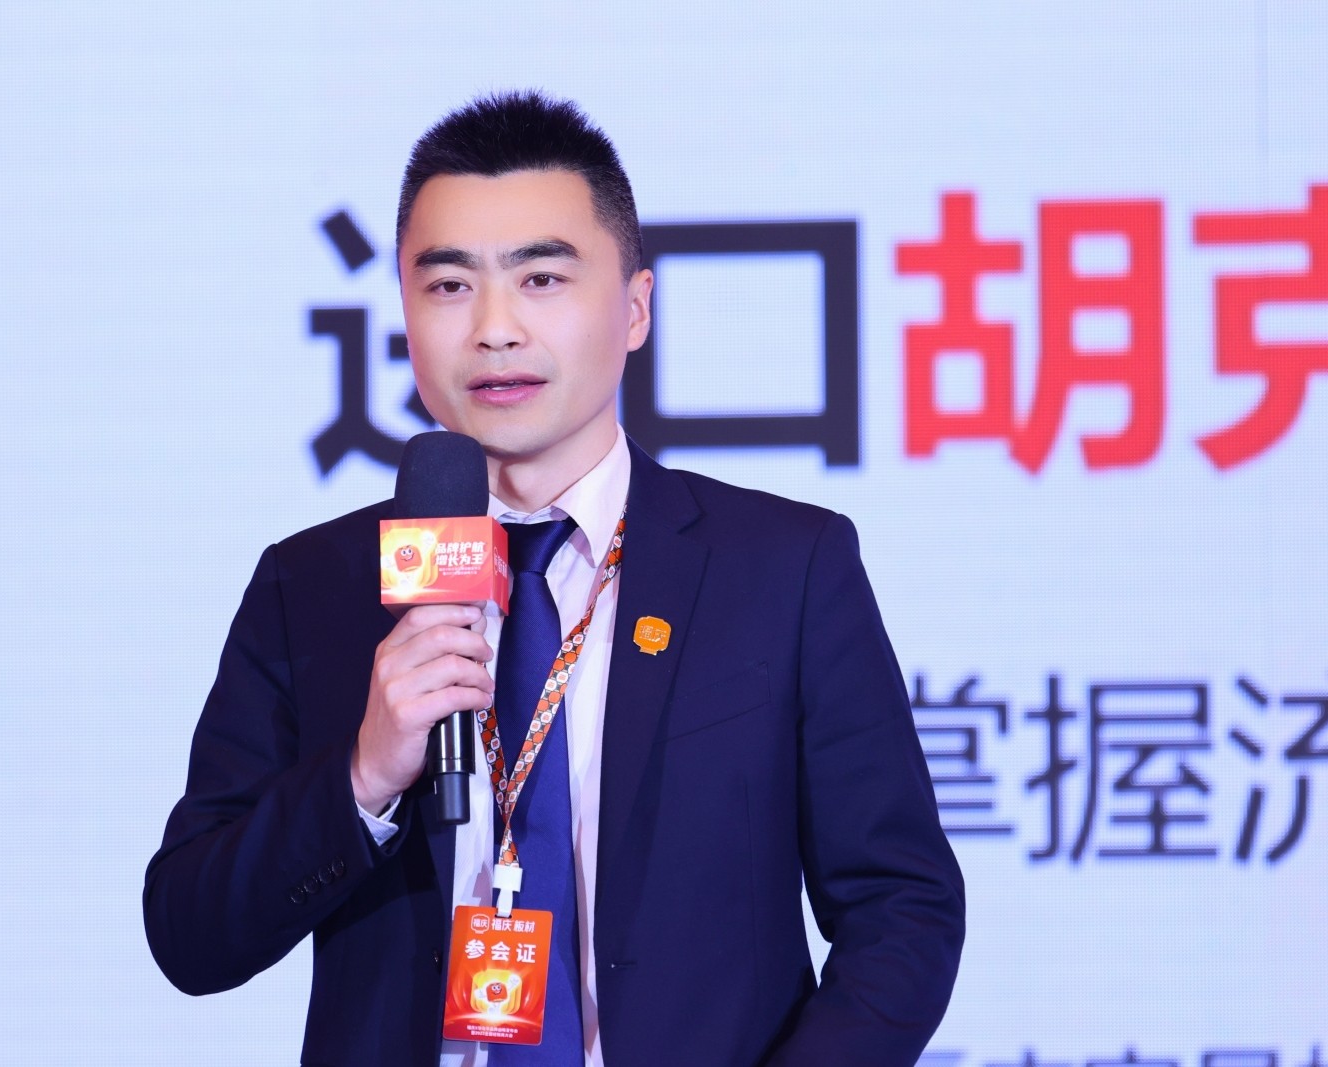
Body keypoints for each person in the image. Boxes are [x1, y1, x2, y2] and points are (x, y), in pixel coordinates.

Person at [144, 90, 964, 1067]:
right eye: (450, 285)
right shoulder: (313, 586)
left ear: (635, 307)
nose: (495, 328)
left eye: (540, 278)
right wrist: (362, 776)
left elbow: (902, 908)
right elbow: (190, 932)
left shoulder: (781, 568)